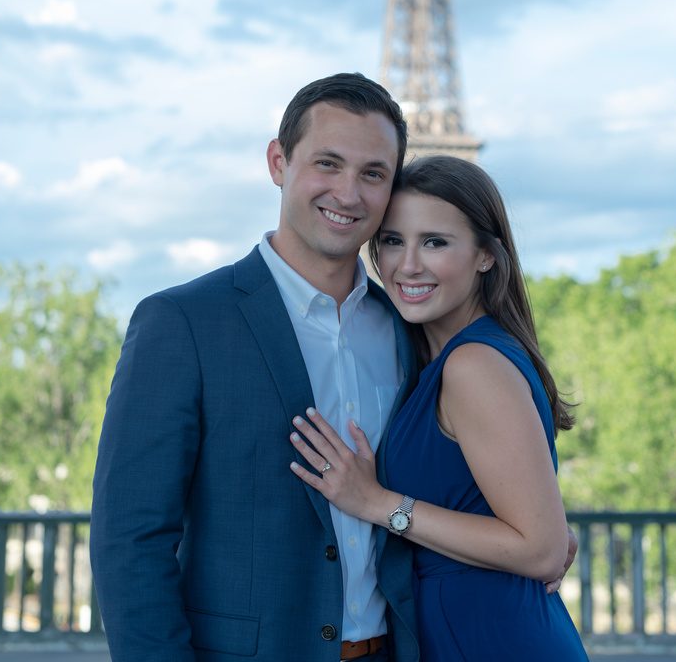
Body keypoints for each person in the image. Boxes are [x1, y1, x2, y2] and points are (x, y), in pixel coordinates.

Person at [90, 73, 421, 662]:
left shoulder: (406, 330)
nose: (348, 193)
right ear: (278, 162)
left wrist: (531, 532)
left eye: (373, 174)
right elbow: (130, 540)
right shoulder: (182, 322)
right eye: (328, 163)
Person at [288, 155, 589, 661]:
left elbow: (541, 551)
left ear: (486, 255)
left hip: (495, 639)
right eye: (392, 241)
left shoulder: (473, 364)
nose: (407, 265)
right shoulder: (437, 357)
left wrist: (378, 503)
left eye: (435, 242)